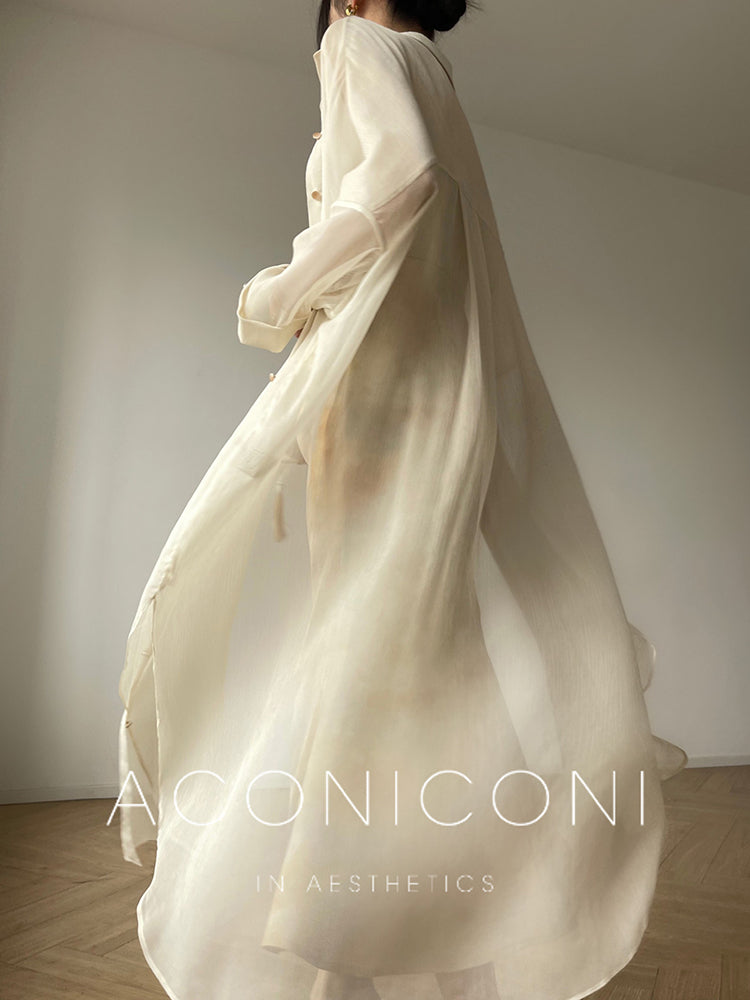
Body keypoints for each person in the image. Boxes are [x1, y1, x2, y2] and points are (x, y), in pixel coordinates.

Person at [116, 2, 687, 999]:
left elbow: (403, 176)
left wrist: (276, 294)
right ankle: (443, 936)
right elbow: (440, 226)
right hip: (444, 398)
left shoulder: (354, 42)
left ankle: (346, 939)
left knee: (367, 654)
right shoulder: (432, 67)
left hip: (385, 400)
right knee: (420, 653)